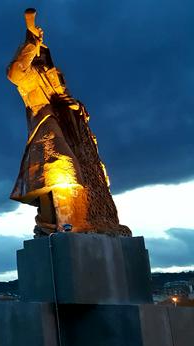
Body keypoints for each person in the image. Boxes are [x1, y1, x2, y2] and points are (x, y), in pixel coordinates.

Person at [7, 9, 130, 237]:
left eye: (44, 55)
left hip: (72, 134)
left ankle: (83, 222)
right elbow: (15, 72)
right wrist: (32, 39)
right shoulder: (31, 79)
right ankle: (57, 225)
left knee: (84, 177)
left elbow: (73, 105)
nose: (44, 61)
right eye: (39, 56)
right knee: (62, 172)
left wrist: (74, 106)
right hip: (48, 133)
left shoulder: (56, 81)